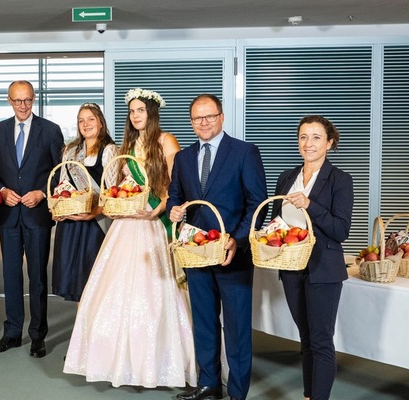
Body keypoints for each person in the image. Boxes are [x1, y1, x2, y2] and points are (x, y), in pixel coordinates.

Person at [64, 89, 196, 388]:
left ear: (152, 112)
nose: (136, 116)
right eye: (132, 111)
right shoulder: (127, 144)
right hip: (127, 222)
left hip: (154, 221)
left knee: (157, 293)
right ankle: (118, 363)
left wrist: (158, 210)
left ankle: (162, 364)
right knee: (113, 290)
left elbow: (174, 187)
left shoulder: (166, 140)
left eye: (141, 110)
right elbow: (123, 184)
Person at [167, 93, 267, 400]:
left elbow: (258, 206)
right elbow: (175, 196)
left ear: (221, 117)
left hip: (232, 256)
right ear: (191, 122)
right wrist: (174, 209)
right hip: (195, 253)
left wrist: (235, 240)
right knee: (204, 323)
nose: (204, 123)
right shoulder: (183, 158)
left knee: (236, 329)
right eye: (198, 118)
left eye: (209, 116)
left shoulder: (244, 152)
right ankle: (209, 385)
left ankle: (238, 393)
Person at [271, 116, 353, 400]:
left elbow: (341, 230)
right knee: (305, 339)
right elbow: (275, 222)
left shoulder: (340, 180)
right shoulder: (286, 177)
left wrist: (310, 205)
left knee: (320, 341)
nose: (309, 143)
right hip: (291, 267)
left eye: (317, 137)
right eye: (303, 137)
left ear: (329, 143)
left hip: (323, 270)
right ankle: (309, 395)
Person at [0, 80, 64, 358]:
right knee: (10, 275)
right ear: (9, 100)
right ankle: (12, 333)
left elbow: (60, 174)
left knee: (38, 277)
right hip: (8, 216)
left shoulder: (51, 131)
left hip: (37, 215)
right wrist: (3, 191)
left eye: (28, 100)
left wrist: (42, 193)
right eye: (18, 101)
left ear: (34, 99)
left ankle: (38, 335)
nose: (23, 106)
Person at [51, 102, 117, 302]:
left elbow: (112, 192)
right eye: (81, 120)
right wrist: (57, 207)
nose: (86, 124)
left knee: (95, 281)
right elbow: (62, 185)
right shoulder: (71, 151)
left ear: (100, 123)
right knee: (76, 281)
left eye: (91, 119)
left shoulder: (109, 150)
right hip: (71, 223)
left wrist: (94, 212)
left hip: (95, 225)